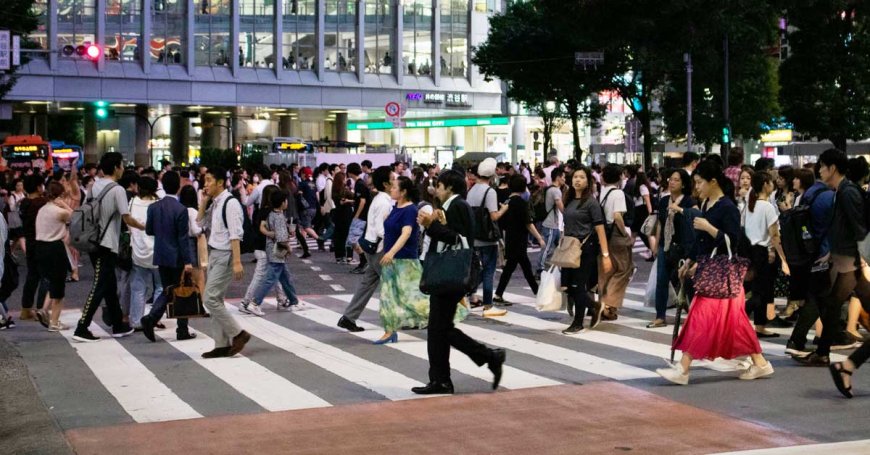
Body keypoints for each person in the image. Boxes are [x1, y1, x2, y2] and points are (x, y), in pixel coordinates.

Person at [657, 160, 774, 385]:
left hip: (721, 275)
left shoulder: (727, 207)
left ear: (713, 182)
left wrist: (710, 229)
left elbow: (734, 242)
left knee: (699, 317)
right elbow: (699, 242)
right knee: (736, 323)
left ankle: (683, 369)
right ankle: (760, 363)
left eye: (700, 183)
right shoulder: (706, 205)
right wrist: (689, 260)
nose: (697, 187)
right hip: (713, 274)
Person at [414, 170, 506, 395]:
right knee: (440, 329)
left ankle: (483, 360)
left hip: (453, 273)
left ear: (450, 188)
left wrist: (430, 226)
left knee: (439, 329)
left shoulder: (458, 206)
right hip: (448, 273)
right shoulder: (452, 206)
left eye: (439, 186)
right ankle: (443, 378)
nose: (436, 189)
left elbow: (459, 239)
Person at [795, 149, 870, 367]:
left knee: (833, 303)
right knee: (833, 303)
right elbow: (844, 227)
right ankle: (822, 352)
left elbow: (859, 227)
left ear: (833, 168)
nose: (819, 170)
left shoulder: (847, 192)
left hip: (851, 260)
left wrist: (862, 257)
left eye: (822, 166)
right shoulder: (840, 190)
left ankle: (823, 353)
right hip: (846, 258)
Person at [73, 153, 145, 343]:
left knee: (109, 285)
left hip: (93, 240)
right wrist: (145, 227)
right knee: (99, 285)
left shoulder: (94, 185)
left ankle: (117, 324)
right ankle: (82, 326)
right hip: (107, 243)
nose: (123, 169)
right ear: (115, 168)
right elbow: (126, 217)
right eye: (121, 165)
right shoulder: (118, 190)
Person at [197, 166, 250, 358]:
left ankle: (238, 334)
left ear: (220, 182)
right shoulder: (216, 202)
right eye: (205, 180)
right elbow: (199, 223)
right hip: (215, 253)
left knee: (209, 298)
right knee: (216, 299)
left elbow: (235, 234)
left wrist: (237, 261)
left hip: (225, 255)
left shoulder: (230, 203)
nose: (206, 184)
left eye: (209, 180)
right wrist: (204, 201)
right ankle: (221, 344)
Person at [140, 171, 197, 342]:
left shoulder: (154, 207)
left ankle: (153, 319)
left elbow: (149, 230)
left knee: (168, 289)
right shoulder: (181, 209)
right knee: (181, 291)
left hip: (160, 254)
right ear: (178, 186)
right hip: (177, 257)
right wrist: (188, 261)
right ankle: (178, 328)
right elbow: (183, 238)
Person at [374, 176, 432, 343]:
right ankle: (389, 331)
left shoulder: (410, 210)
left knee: (414, 298)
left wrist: (391, 252)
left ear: (403, 191)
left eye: (394, 187)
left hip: (405, 260)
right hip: (391, 260)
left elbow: (406, 233)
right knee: (387, 297)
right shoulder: (395, 207)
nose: (391, 189)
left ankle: (444, 318)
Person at [557, 167, 612, 333]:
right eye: (575, 177)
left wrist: (605, 254)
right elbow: (567, 224)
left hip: (585, 248)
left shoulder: (591, 202)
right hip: (569, 246)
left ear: (588, 181)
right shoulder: (569, 199)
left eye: (581, 177)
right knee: (567, 286)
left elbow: (600, 228)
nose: (577, 180)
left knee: (579, 286)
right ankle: (596, 307)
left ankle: (578, 322)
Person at [338, 166, 393, 333]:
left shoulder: (378, 199)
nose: (395, 181)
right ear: (385, 183)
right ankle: (400, 319)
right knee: (393, 285)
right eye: (392, 178)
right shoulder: (384, 202)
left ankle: (348, 317)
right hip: (379, 250)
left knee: (367, 285)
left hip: (370, 247)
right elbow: (381, 230)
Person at [743, 172, 790, 338]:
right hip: (764, 253)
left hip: (751, 251)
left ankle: (760, 326)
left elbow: (743, 228)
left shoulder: (750, 205)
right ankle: (738, 317)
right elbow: (774, 235)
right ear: (765, 184)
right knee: (761, 292)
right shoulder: (767, 207)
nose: (774, 184)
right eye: (771, 182)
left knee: (762, 290)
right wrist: (783, 258)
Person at [648, 169, 696, 328]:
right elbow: (661, 222)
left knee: (687, 282)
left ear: (683, 184)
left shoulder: (688, 201)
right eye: (671, 179)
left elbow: (695, 219)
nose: (672, 182)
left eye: (676, 180)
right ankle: (660, 316)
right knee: (661, 279)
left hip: (683, 247)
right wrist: (656, 243)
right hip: (666, 246)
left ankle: (694, 316)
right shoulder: (664, 201)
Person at [494, 175, 545, 303]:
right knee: (523, 267)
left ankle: (499, 293)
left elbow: (503, 221)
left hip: (510, 238)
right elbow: (528, 223)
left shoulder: (507, 202)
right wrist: (539, 238)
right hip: (520, 239)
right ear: (523, 187)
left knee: (512, 267)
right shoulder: (521, 203)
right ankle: (537, 292)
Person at [467, 158, 509, 317]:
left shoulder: (471, 190)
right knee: (488, 271)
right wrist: (504, 209)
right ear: (492, 176)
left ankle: (467, 295)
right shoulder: (489, 191)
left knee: (476, 270)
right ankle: (488, 305)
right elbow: (493, 216)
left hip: (474, 236)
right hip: (487, 237)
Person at [251, 190, 300, 310]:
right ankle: (255, 303)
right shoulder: (279, 216)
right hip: (277, 250)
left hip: (272, 248)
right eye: (286, 200)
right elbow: (281, 237)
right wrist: (288, 247)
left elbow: (276, 233)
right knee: (270, 279)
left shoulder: (272, 214)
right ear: (283, 202)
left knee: (285, 277)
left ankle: (293, 301)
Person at [597, 164, 634, 321]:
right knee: (624, 269)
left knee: (607, 271)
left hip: (604, 235)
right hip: (616, 235)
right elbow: (617, 216)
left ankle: (602, 304)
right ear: (619, 177)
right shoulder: (618, 193)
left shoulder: (603, 192)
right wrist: (625, 232)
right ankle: (609, 305)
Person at [35, 181, 73, 332]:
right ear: (61, 195)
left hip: (40, 247)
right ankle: (55, 322)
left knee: (51, 281)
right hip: (55, 247)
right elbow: (75, 216)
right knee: (59, 286)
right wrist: (64, 204)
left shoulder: (42, 210)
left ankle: (44, 309)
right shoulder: (59, 211)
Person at [128, 177, 162, 332]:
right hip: (157, 251)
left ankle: (136, 320)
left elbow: (129, 224)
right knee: (160, 287)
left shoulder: (132, 202)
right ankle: (153, 318)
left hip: (138, 250)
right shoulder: (158, 205)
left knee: (138, 287)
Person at [18, 174, 48, 322]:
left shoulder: (23, 203)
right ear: (38, 186)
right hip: (42, 241)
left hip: (29, 242)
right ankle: (40, 310)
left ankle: (26, 309)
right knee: (45, 277)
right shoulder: (41, 203)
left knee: (32, 276)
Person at [537, 167, 565, 277]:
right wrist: (568, 215)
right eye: (563, 177)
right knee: (547, 247)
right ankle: (540, 268)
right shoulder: (555, 190)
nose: (564, 179)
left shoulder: (550, 189)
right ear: (558, 178)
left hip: (553, 224)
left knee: (559, 246)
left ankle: (559, 266)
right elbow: (560, 206)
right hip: (550, 224)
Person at [347, 163, 370, 274]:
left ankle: (364, 261)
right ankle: (363, 262)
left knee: (353, 240)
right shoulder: (360, 183)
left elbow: (362, 201)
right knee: (354, 240)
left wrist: (356, 215)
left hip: (361, 217)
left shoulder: (359, 184)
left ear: (350, 172)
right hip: (363, 216)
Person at [331, 172, 355, 263]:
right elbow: (355, 198)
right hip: (346, 214)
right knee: (348, 235)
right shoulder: (345, 190)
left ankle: (339, 256)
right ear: (342, 180)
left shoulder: (334, 190)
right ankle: (349, 256)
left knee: (338, 236)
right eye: (344, 179)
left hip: (337, 214)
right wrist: (350, 200)